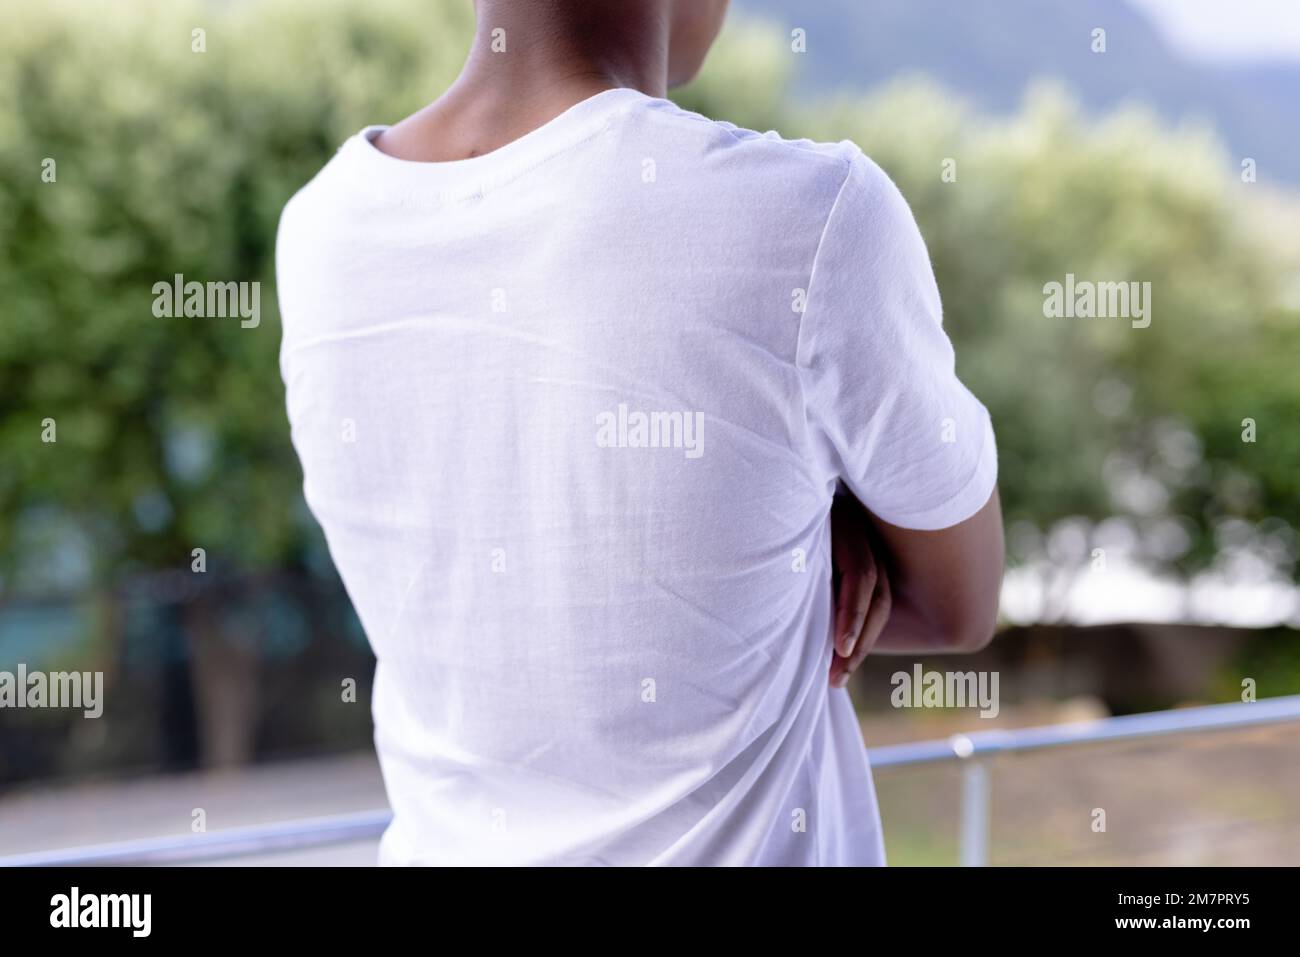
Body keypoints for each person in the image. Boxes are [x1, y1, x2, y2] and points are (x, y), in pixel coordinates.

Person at [276, 0, 1003, 866]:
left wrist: (797, 501)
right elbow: (959, 602)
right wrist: (822, 509)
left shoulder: (320, 232)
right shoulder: (813, 218)